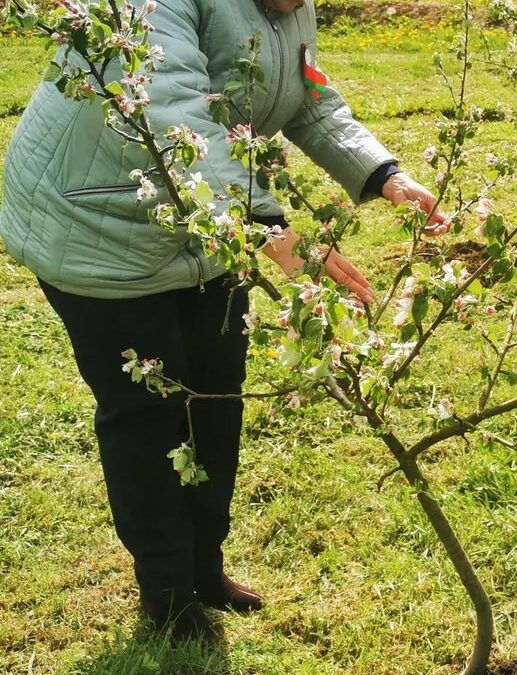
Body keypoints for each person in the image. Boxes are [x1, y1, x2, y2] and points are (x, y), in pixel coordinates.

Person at [0, 0, 446, 641]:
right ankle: (167, 596)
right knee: (147, 415)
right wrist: (269, 227)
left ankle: (203, 567)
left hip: (207, 226)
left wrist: (382, 174)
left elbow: (305, 94)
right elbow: (172, 108)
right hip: (98, 225)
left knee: (214, 398)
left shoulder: (288, 7)